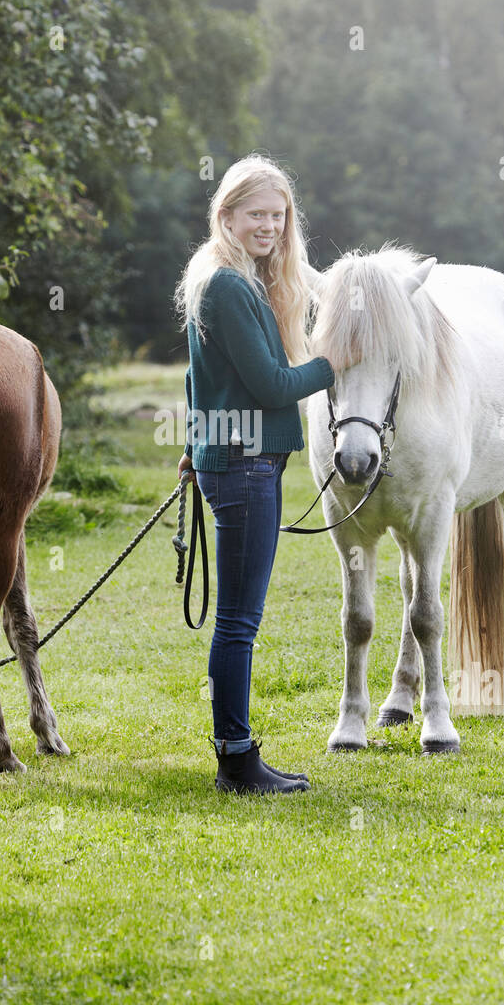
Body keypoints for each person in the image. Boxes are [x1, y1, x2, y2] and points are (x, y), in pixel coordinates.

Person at [173, 155, 335, 795]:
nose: (269, 225)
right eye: (256, 214)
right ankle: (236, 763)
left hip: (232, 461)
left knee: (238, 618)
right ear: (227, 215)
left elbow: (199, 379)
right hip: (245, 468)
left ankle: (237, 755)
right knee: (239, 621)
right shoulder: (229, 287)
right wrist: (335, 362)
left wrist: (195, 443)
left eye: (277, 214)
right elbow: (272, 385)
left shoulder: (221, 276)